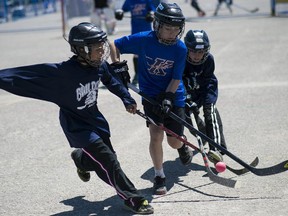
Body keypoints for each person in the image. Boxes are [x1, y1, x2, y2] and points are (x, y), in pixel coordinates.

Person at [0, 22, 153, 215]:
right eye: (97, 49)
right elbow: (24, 76)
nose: (101, 52)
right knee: (108, 161)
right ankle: (134, 199)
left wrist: (127, 99)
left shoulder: (99, 65)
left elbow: (112, 82)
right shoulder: (62, 73)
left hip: (95, 121)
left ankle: (81, 159)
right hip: (76, 125)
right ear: (82, 49)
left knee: (105, 161)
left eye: (102, 47)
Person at [110, 2, 193, 195]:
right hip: (149, 94)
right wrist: (117, 65)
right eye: (167, 28)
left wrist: (168, 98)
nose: (172, 33)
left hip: (173, 94)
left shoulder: (180, 48)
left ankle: (182, 145)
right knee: (156, 135)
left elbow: (176, 78)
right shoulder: (144, 39)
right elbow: (114, 44)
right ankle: (159, 176)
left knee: (174, 142)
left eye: (176, 29)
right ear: (157, 25)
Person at [183, 29, 227, 163]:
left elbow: (208, 81)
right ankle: (204, 134)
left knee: (211, 113)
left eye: (201, 52)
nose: (197, 55)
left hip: (206, 90)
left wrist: (208, 101)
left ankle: (217, 149)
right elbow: (177, 80)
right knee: (188, 119)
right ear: (187, 49)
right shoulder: (180, 60)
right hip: (187, 93)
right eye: (194, 51)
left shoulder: (209, 60)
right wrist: (186, 97)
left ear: (206, 51)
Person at [114, 0, 156, 85]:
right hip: (135, 31)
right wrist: (119, 12)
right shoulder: (129, 1)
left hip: (147, 31)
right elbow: (123, 9)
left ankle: (151, 75)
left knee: (149, 53)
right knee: (136, 53)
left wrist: (151, 14)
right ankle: (137, 75)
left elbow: (153, 9)